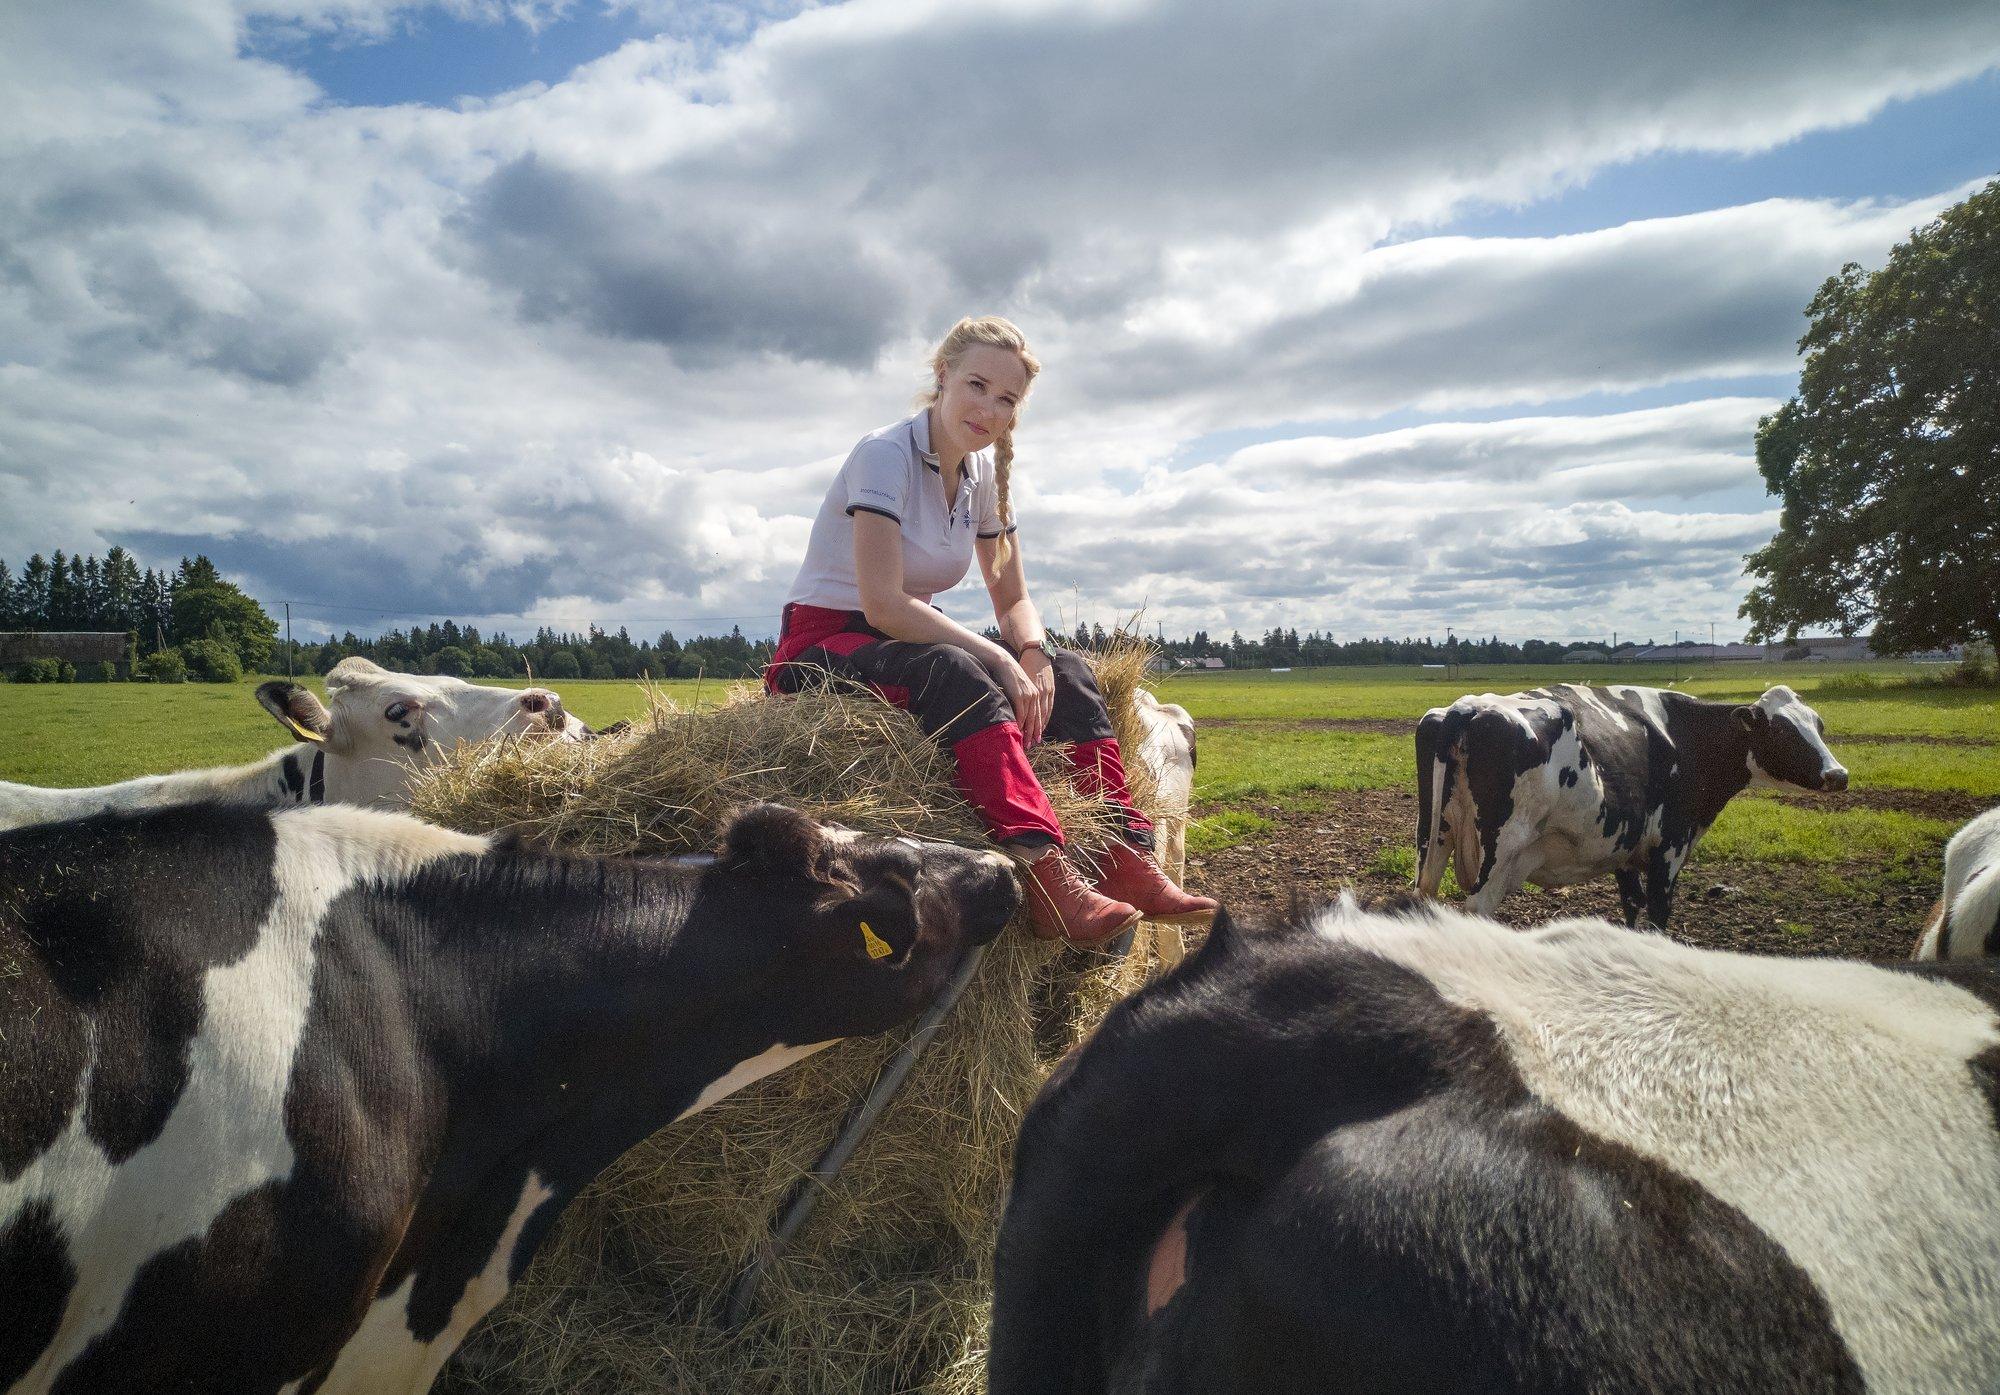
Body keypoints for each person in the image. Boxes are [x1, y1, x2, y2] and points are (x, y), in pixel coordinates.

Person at [765, 316, 1216, 945]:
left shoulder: (982, 477)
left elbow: (1013, 594)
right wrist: (999, 662)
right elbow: (883, 605)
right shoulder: (884, 454)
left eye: (1007, 399)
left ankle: (1123, 855)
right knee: (960, 672)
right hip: (825, 646)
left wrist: (1030, 652)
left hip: (901, 639)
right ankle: (1047, 879)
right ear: (942, 376)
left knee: (1070, 671)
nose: (988, 408)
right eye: (977, 385)